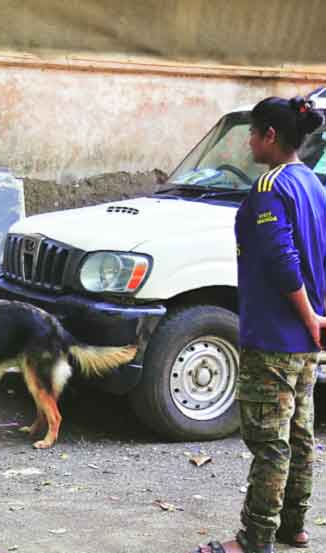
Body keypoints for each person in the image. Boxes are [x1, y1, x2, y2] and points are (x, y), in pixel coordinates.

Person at [196, 97, 326, 553]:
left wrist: (308, 315)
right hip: (305, 340)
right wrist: (316, 318)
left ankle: (254, 539)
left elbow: (280, 259)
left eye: (253, 132)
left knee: (270, 442)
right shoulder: (312, 182)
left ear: (271, 135)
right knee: (299, 435)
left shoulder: (270, 186)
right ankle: (294, 526)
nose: (249, 141)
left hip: (274, 335)